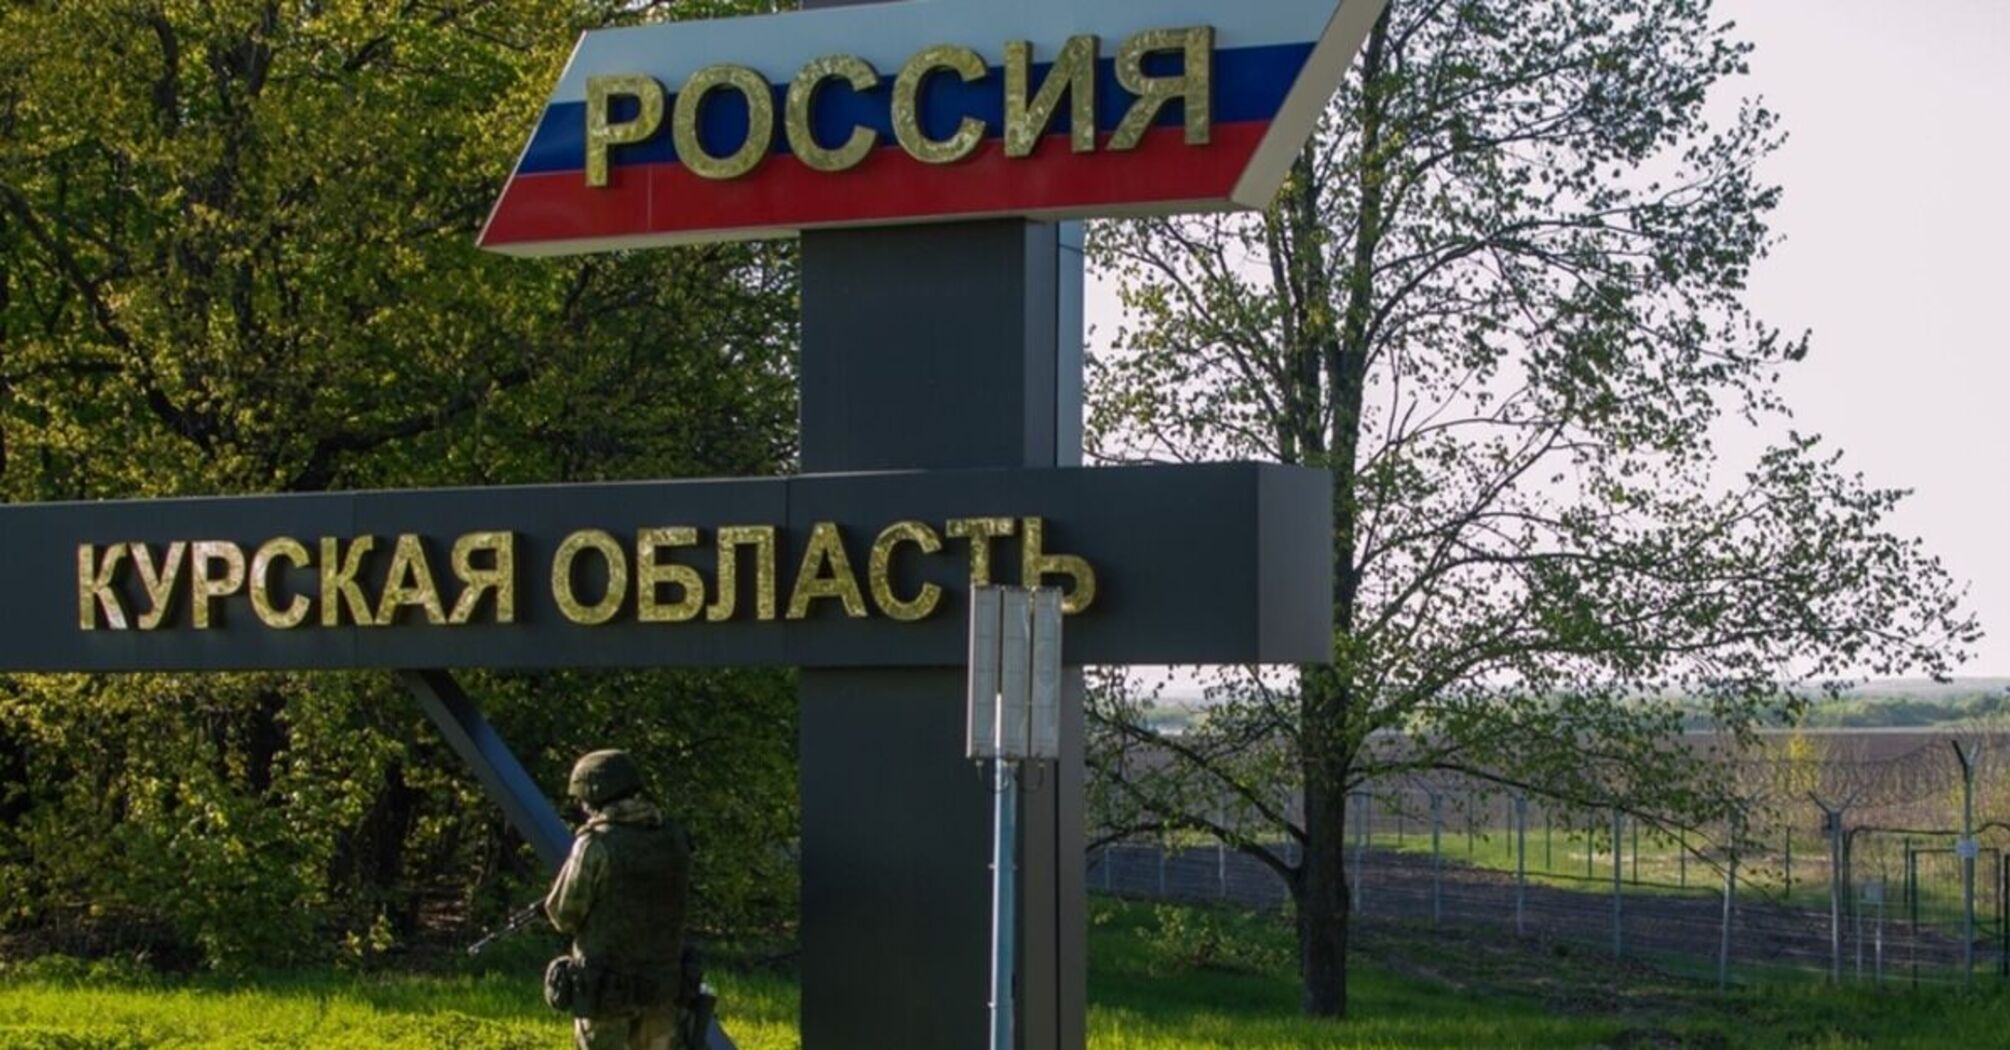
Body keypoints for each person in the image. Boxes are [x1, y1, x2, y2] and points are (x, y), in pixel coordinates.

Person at [545, 749, 693, 1050]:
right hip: (663, 990)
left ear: (593, 795)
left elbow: (564, 916)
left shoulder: (595, 843)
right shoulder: (673, 837)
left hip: (607, 995)